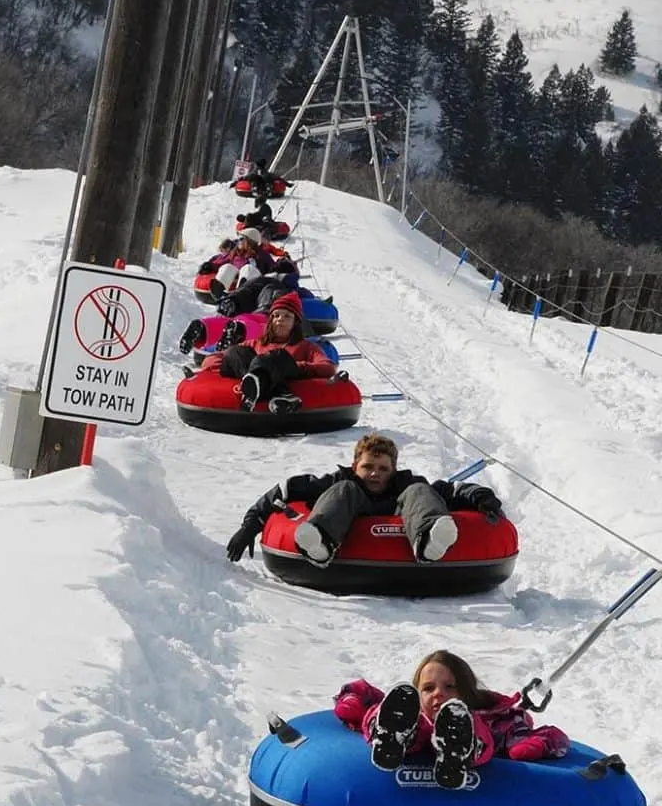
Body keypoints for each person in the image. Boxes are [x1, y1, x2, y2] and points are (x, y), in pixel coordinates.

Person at [225, 432, 503, 568]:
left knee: (421, 491)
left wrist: (482, 497)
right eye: (368, 466)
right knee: (344, 489)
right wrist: (251, 524)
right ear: (355, 464)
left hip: (407, 522)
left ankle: (429, 540)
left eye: (383, 469)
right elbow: (285, 491)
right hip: (343, 519)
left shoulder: (405, 483)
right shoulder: (342, 481)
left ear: (393, 469)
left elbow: (452, 491)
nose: (374, 474)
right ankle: (320, 541)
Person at [334, 650, 570, 788]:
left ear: (467, 693)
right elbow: (361, 696)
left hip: (473, 736)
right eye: (428, 688)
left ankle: (458, 747)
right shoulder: (413, 711)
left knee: (474, 730)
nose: (438, 693)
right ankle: (389, 736)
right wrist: (352, 704)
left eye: (449, 687)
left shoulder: (495, 720)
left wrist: (537, 744)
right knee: (400, 720)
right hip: (416, 732)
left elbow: (551, 737)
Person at [198, 292, 336, 415]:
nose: (280, 319)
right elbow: (217, 357)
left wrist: (292, 366)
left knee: (276, 356)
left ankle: (258, 388)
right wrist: (219, 368)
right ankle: (262, 388)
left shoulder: (307, 346)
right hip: (250, 379)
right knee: (236, 351)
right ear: (270, 321)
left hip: (288, 370)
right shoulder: (256, 343)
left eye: (287, 316)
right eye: (276, 315)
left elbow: (327, 366)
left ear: (296, 323)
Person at [209, 227, 281, 299]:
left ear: (250, 241)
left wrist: (280, 266)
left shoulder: (261, 254)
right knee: (227, 267)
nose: (238, 241)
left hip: (254, 282)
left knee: (248, 268)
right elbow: (222, 261)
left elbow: (273, 267)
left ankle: (241, 295)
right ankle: (218, 292)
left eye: (241, 238)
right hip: (235, 280)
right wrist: (210, 266)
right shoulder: (235, 252)